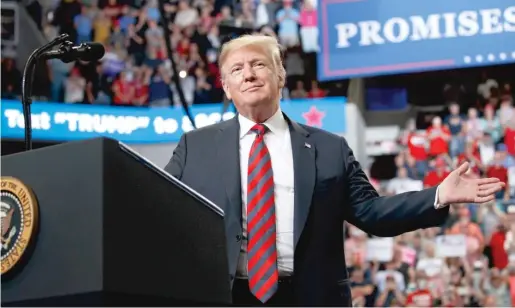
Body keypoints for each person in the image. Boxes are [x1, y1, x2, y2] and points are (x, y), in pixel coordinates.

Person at [164, 34, 505, 306]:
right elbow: (160, 211)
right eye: (236, 69)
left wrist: (438, 196)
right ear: (225, 86)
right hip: (223, 297)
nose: (249, 74)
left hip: (310, 298)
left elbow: (372, 213)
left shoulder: (329, 148)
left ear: (280, 75)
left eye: (258, 64)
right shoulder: (195, 146)